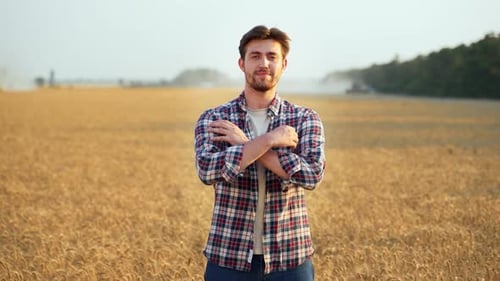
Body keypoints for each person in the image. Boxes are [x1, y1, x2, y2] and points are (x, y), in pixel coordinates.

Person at [194, 25, 326, 281]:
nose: (263, 63)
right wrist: (270, 140)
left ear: (284, 64)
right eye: (255, 56)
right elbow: (208, 170)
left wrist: (245, 144)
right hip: (228, 257)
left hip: (290, 258)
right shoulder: (215, 118)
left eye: (271, 56)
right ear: (241, 63)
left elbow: (311, 176)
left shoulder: (304, 118)